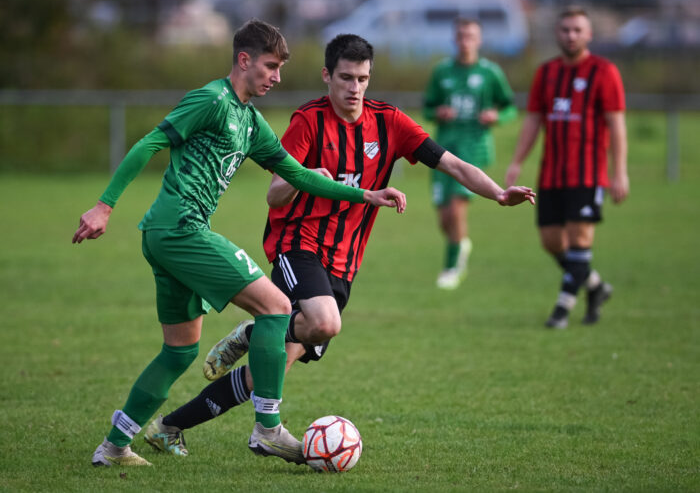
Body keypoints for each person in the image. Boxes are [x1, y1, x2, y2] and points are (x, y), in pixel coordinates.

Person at [141, 34, 535, 457]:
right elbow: (273, 195)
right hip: (298, 245)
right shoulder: (308, 121)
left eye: (363, 78)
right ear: (327, 75)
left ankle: (169, 426)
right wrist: (305, 176)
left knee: (270, 367)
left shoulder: (389, 122)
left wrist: (497, 193)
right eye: (346, 77)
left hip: (344, 264)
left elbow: (451, 162)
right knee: (325, 323)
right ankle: (258, 342)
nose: (355, 88)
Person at [73, 19, 407, 467]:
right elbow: (148, 143)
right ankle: (268, 429)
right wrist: (104, 206)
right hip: (181, 230)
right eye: (270, 67)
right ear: (244, 60)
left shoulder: (250, 122)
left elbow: (300, 175)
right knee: (276, 307)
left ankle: (114, 447)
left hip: (167, 236)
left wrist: (366, 194)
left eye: (280, 69)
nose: (277, 77)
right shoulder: (211, 100)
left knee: (180, 351)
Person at [505, 6, 629, 328]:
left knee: (579, 241)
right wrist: (517, 161)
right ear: (557, 34)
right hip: (551, 175)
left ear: (588, 34)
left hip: (587, 175)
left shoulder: (604, 72)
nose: (571, 35)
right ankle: (596, 287)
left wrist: (620, 172)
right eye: (565, 30)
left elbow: (616, 124)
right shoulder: (546, 74)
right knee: (551, 242)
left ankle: (562, 309)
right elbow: (533, 120)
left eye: (577, 30)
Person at [424, 18, 517, 290]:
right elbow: (428, 107)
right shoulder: (442, 71)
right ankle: (460, 244)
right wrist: (438, 113)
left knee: (455, 209)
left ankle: (452, 268)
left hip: (474, 149)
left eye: (471, 36)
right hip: (443, 149)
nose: (465, 41)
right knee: (444, 218)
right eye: (461, 36)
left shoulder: (490, 72)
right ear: (455, 39)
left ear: (479, 40)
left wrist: (496, 116)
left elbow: (510, 107)